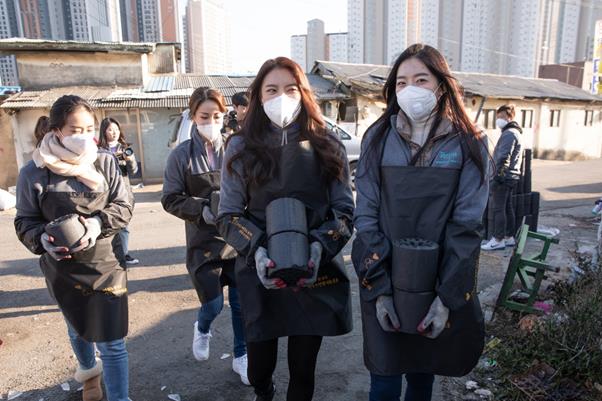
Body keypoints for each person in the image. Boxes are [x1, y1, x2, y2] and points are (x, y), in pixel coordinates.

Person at [352, 44, 489, 401]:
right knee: (383, 377)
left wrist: (445, 298)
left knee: (422, 373)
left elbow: (467, 227)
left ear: (441, 86)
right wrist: (378, 290)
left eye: (420, 79)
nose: (409, 89)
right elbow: (365, 217)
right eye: (401, 82)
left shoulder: (469, 144)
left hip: (438, 280)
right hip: (385, 274)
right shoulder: (377, 140)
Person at [217, 56, 354, 401]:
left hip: (314, 268)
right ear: (259, 97)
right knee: (257, 368)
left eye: (290, 89)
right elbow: (228, 215)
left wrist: (319, 247)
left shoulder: (328, 144)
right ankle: (264, 391)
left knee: (303, 369)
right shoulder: (240, 146)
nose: (282, 96)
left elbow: (344, 211)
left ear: (304, 93)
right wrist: (258, 251)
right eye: (272, 89)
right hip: (259, 267)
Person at [14, 95, 133, 401]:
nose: (84, 137)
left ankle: (120, 398)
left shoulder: (105, 162)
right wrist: (40, 239)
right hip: (62, 268)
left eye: (89, 128)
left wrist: (96, 224)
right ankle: (88, 370)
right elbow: (25, 220)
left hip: (106, 263)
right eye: (75, 129)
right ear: (56, 131)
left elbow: (124, 205)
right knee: (77, 328)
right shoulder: (34, 173)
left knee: (113, 342)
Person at [161, 87, 249, 385]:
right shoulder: (180, 155)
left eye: (216, 115)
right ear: (193, 116)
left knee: (240, 305)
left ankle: (241, 356)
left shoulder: (236, 149)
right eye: (204, 116)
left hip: (236, 240)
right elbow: (170, 198)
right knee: (213, 303)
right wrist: (202, 209)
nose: (211, 120)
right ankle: (203, 326)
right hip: (202, 242)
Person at [481, 104, 523, 251]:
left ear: (510, 116)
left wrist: (497, 176)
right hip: (511, 176)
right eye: (497, 117)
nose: (499, 120)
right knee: (506, 207)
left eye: (502, 117)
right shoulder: (515, 132)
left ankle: (498, 239)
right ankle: (508, 237)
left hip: (503, 177)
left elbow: (503, 157)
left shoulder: (509, 133)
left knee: (498, 209)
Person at [98, 117, 140, 265]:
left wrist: (130, 160)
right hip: (104, 194)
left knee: (123, 225)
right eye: (110, 129)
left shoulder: (124, 148)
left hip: (123, 193)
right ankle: (108, 256)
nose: (114, 133)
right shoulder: (98, 151)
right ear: (104, 131)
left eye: (116, 129)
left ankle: (124, 254)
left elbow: (133, 171)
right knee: (105, 225)